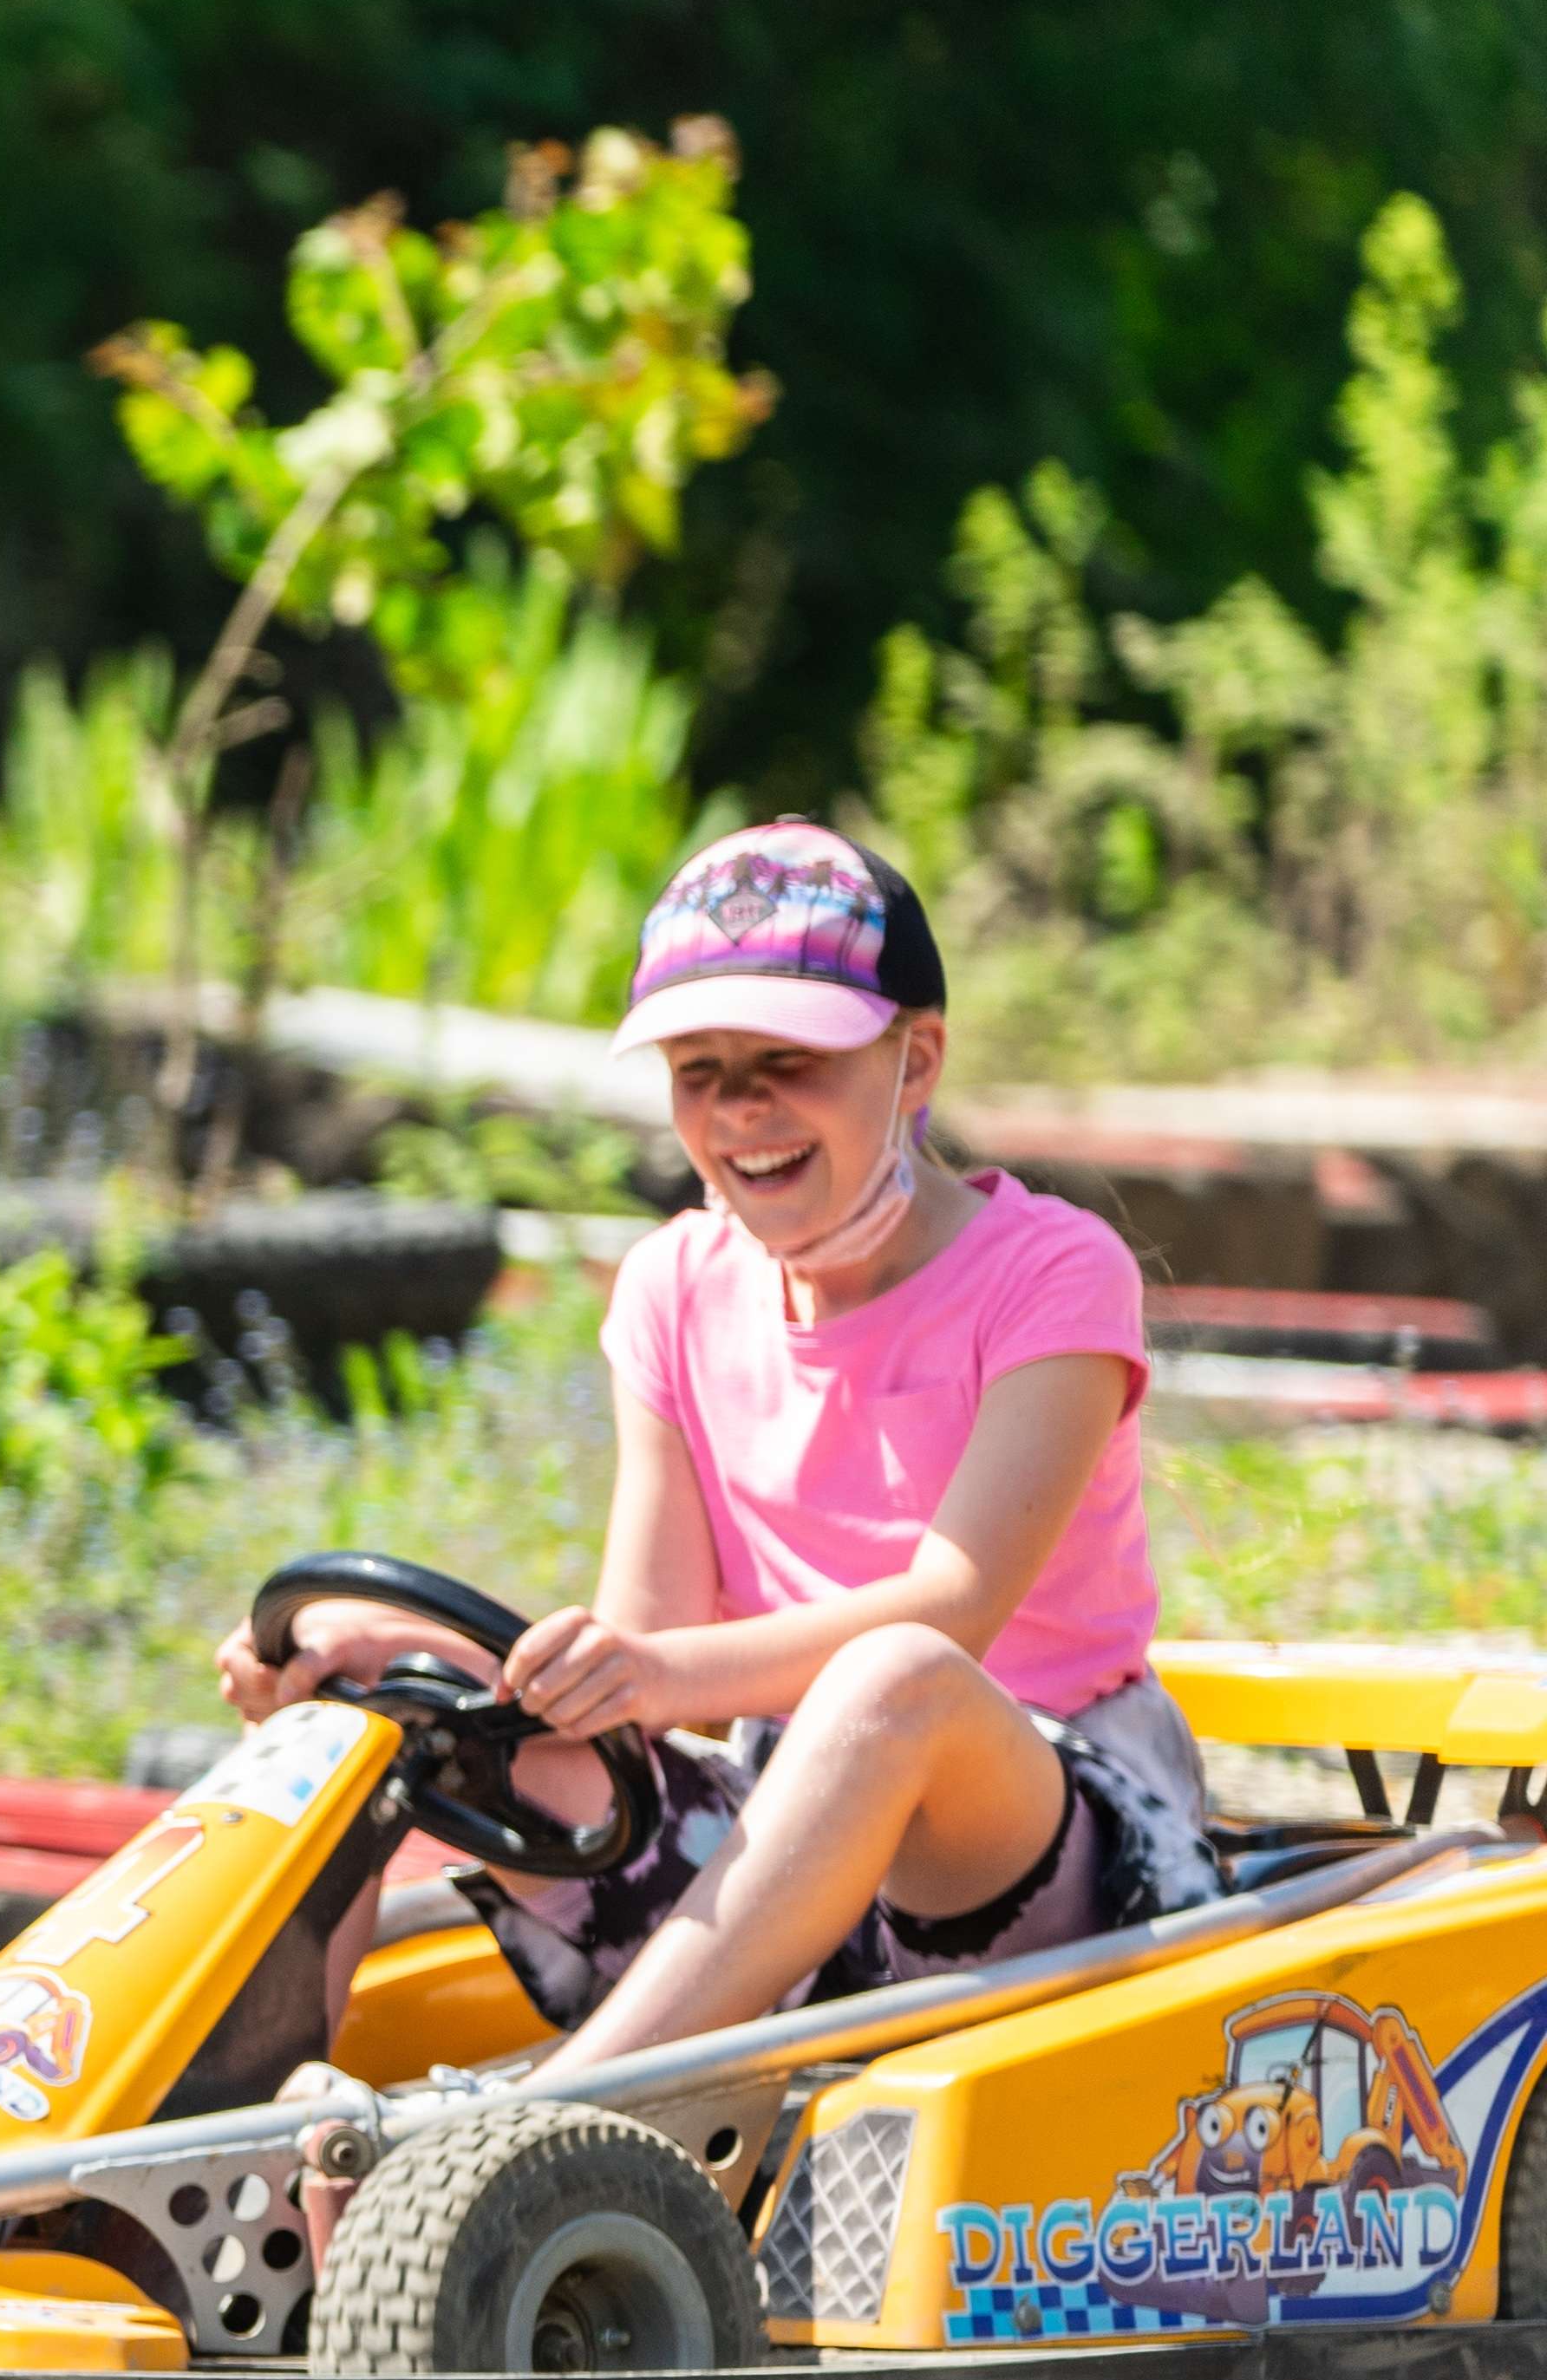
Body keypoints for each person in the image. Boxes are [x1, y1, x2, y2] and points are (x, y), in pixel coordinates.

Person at [216, 822, 1219, 2079]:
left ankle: (549, 2124)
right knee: (386, 1697)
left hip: (1038, 1834)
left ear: (915, 1062)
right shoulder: (673, 1287)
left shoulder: (1053, 1274)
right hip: (779, 1819)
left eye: (787, 1063)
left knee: (888, 1675)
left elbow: (951, 1614)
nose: (742, 1110)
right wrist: (408, 1656)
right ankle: (214, 2127)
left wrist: (648, 1673)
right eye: (702, 1071)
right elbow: (654, 1633)